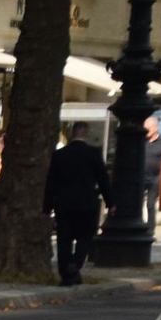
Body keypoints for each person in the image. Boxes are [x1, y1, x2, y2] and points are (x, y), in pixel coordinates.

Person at [45, 121, 109, 287]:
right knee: (85, 237)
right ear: (86, 134)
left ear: (72, 134)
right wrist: (110, 201)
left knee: (64, 239)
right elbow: (103, 179)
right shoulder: (93, 153)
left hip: (64, 204)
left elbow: (51, 182)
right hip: (86, 203)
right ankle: (76, 263)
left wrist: (47, 205)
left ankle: (66, 274)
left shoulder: (59, 155)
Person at [145, 115, 161, 229]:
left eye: (148, 129)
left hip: (156, 177)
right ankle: (137, 225)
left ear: (155, 128)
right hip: (142, 176)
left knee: (150, 203)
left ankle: (150, 228)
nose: (146, 131)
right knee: (135, 202)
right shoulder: (141, 141)